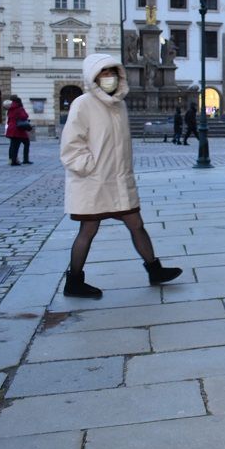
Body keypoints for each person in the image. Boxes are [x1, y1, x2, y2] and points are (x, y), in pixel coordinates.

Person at [59, 53, 183, 298]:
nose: (109, 78)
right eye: (103, 73)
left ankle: (154, 270)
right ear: (94, 78)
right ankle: (73, 281)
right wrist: (90, 167)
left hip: (119, 181)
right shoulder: (83, 104)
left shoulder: (119, 105)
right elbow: (71, 145)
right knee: (88, 230)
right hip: (94, 181)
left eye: (112, 73)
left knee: (136, 224)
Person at [4, 96, 31, 166]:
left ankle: (12, 160)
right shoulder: (19, 108)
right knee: (26, 143)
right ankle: (24, 160)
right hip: (19, 129)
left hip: (11, 128)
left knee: (13, 145)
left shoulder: (10, 109)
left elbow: (9, 119)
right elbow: (24, 116)